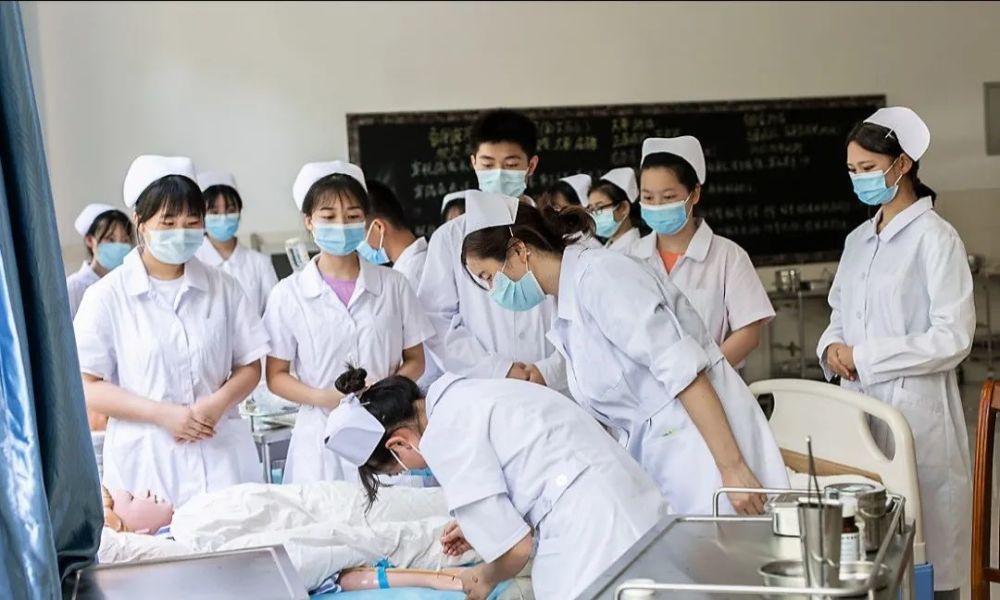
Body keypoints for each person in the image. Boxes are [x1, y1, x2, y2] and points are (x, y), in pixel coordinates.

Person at [460, 197, 788, 515]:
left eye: (488, 277)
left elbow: (684, 372)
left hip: (708, 451)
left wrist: (732, 468)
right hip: (671, 456)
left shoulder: (601, 277)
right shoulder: (567, 304)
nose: (493, 292)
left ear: (519, 251)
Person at [324, 366, 667, 600]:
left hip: (594, 530)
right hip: (628, 497)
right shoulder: (465, 394)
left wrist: (483, 577)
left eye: (397, 470)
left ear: (399, 444)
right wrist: (480, 523)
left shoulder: (442, 436)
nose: (405, 472)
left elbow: (516, 551)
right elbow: (527, 461)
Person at [817, 106, 973, 599]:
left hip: (918, 413)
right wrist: (832, 349)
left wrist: (865, 356)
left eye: (868, 167)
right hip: (858, 408)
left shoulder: (936, 239)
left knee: (927, 551)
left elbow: (952, 336)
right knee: (868, 549)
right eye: (852, 170)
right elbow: (838, 313)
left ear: (901, 164)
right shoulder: (858, 241)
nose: (859, 179)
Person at [74, 155, 268, 506]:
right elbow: (86, 386)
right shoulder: (107, 296)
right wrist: (162, 414)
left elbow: (250, 364)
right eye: (168, 222)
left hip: (220, 452)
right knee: (158, 538)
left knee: (231, 534)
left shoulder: (224, 288)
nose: (181, 232)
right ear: (140, 221)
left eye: (192, 222)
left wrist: (218, 403)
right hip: (147, 463)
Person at [263, 161, 433, 484]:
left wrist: (382, 394)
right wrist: (324, 398)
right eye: (328, 217)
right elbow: (276, 376)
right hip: (320, 435)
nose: (341, 225)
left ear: (366, 220)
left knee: (393, 513)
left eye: (352, 215)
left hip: (388, 432)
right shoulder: (288, 294)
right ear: (309, 221)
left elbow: (416, 359)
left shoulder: (394, 285)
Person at [418, 110, 565, 387]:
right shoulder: (449, 238)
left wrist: (550, 370)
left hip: (556, 386)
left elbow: (580, 315)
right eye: (487, 164)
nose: (498, 174)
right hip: (483, 387)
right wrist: (497, 368)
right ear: (473, 162)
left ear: (531, 165)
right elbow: (436, 320)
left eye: (510, 165)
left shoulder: (555, 228)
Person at [631, 136, 774, 368]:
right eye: (648, 197)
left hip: (713, 382)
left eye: (668, 197)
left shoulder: (728, 256)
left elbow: (748, 332)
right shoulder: (629, 257)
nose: (657, 205)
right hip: (645, 386)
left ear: (695, 193)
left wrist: (704, 373)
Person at [194, 171, 278, 316]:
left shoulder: (259, 263)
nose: (223, 217)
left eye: (231, 210)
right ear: (200, 215)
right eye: (214, 212)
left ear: (239, 212)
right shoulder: (192, 261)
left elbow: (276, 314)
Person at [66, 203, 134, 318]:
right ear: (90, 240)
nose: (119, 246)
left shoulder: (129, 283)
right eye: (110, 239)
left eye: (125, 240)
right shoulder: (73, 288)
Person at [587, 167, 642, 252]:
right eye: (591, 209)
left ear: (624, 208)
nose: (593, 215)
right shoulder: (609, 246)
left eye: (599, 208)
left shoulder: (635, 250)